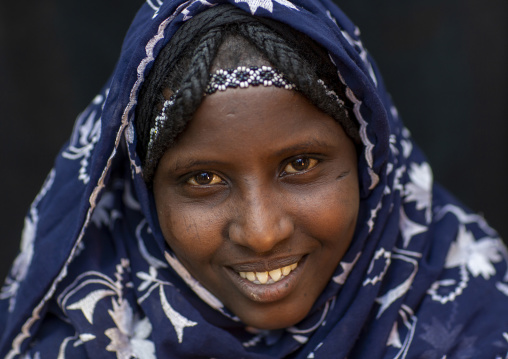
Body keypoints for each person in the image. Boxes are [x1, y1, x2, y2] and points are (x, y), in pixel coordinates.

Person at [1, 0, 507, 358]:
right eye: (202, 178)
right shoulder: (79, 336)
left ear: (369, 164)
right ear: (144, 190)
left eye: (302, 164)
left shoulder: (477, 320)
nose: (262, 233)